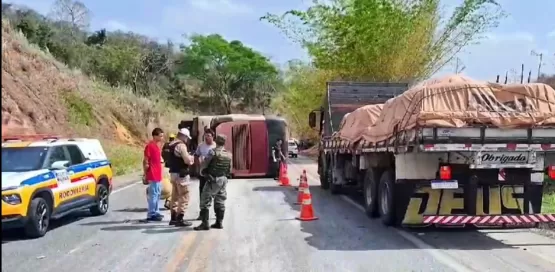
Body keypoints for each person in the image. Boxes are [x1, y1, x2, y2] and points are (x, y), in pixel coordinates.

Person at [194, 134, 232, 231]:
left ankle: (205, 223)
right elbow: (229, 169)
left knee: (204, 200)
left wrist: (204, 173)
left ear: (216, 141)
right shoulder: (228, 154)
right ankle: (219, 222)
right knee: (220, 200)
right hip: (223, 179)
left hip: (212, 179)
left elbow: (204, 165)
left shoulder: (212, 152)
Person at [167, 128, 194, 227]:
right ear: (184, 136)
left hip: (173, 173)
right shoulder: (181, 146)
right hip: (181, 174)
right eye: (187, 138)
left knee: (175, 196)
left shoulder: (171, 144)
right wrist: (191, 159)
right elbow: (187, 161)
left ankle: (173, 218)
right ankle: (180, 218)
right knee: (184, 196)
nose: (187, 140)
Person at [193, 129, 216, 220]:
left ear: (213, 136)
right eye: (205, 136)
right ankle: (202, 213)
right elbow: (196, 155)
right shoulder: (201, 146)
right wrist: (197, 166)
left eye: (209, 136)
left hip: (213, 174)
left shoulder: (216, 146)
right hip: (203, 174)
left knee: (215, 194)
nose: (207, 137)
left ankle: (217, 213)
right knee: (202, 193)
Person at [143, 128, 165, 221]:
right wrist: (145, 173)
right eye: (160, 136)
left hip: (158, 174)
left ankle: (156, 211)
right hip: (153, 173)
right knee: (154, 194)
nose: (162, 137)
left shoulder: (157, 146)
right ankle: (151, 213)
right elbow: (146, 161)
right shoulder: (150, 146)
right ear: (155, 136)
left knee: (158, 194)